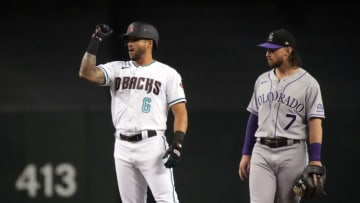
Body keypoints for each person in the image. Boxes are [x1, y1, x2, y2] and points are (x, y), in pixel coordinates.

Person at [79, 22, 188, 203]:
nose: (129, 43)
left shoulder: (168, 74)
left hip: (152, 145)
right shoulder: (116, 68)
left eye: (135, 39)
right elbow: (86, 73)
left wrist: (177, 142)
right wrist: (96, 40)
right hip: (122, 145)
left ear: (149, 43)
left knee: (167, 200)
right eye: (128, 40)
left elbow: (180, 112)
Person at [238, 29, 325, 203]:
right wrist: (246, 153)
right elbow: (254, 117)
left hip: (292, 152)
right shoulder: (262, 80)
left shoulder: (309, 83)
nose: (267, 54)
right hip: (261, 150)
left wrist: (315, 160)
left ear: (287, 51)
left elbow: (315, 122)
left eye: (272, 49)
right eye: (267, 49)